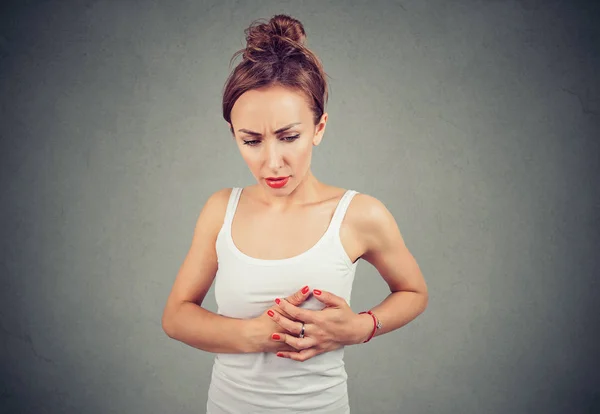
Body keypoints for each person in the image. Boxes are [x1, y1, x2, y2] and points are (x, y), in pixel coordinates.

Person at [161, 14, 429, 414]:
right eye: (251, 140)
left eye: (289, 137)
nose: (272, 162)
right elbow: (176, 317)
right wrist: (257, 334)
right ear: (233, 134)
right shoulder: (221, 210)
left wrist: (361, 327)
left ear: (319, 128)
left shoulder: (359, 214)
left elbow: (414, 292)